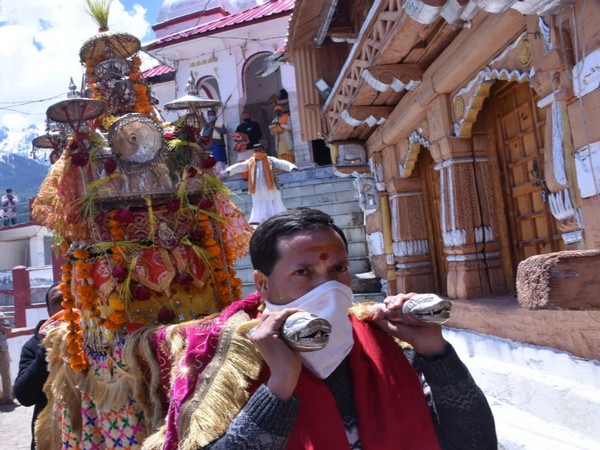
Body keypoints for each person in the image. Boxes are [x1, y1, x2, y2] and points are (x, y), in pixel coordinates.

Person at [199, 208, 497, 449]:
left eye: (338, 269)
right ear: (263, 283)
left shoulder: (389, 345)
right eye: (302, 272)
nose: (327, 287)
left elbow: (476, 443)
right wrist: (280, 384)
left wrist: (436, 354)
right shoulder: (229, 361)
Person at [14, 282, 64, 449]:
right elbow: (25, 397)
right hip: (52, 437)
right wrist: (46, 350)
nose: (66, 305)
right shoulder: (33, 345)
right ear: (49, 310)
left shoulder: (97, 341)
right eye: (58, 300)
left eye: (71, 298)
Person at [223, 143, 298, 225]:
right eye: (256, 150)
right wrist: (229, 170)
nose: (258, 151)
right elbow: (239, 166)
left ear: (263, 150)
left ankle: (278, 217)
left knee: (274, 200)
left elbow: (281, 163)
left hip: (270, 186)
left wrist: (292, 167)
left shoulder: (270, 159)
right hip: (257, 187)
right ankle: (258, 219)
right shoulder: (251, 161)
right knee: (259, 202)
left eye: (260, 150)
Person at [201, 109, 228, 177]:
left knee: (220, 163)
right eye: (210, 115)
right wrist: (210, 127)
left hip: (219, 146)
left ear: (215, 115)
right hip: (210, 147)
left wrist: (214, 127)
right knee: (212, 163)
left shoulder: (219, 123)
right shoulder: (207, 125)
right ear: (208, 116)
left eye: (212, 115)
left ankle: (222, 177)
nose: (211, 116)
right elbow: (205, 135)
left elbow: (223, 131)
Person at [0, 311, 16, 404]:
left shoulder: (2, 316)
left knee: (6, 375)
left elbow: (9, 330)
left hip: (3, 349)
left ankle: (8, 398)